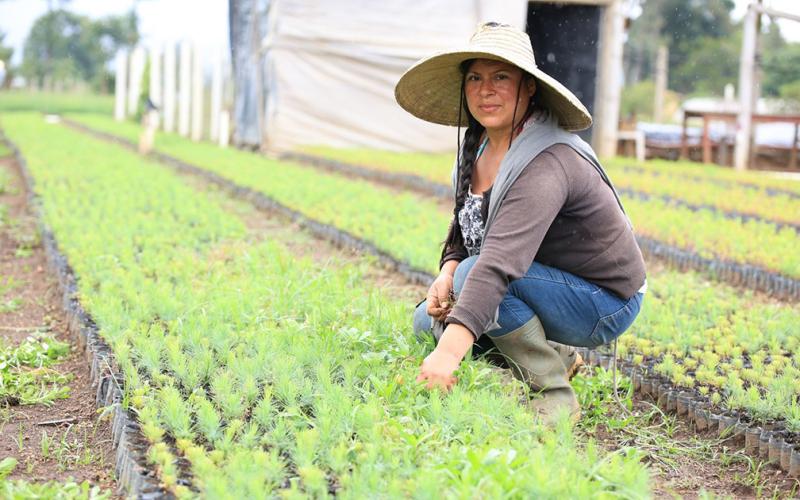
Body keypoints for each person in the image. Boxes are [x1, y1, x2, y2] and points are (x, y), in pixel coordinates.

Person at [394, 22, 647, 423]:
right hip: (539, 279)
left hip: (602, 300)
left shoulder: (546, 161)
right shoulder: (476, 147)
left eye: (500, 77)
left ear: (528, 86)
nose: (485, 89)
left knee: (471, 290)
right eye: (475, 77)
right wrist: (447, 272)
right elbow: (466, 232)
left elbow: (497, 264)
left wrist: (447, 357)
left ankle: (554, 392)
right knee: (425, 320)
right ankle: (558, 356)